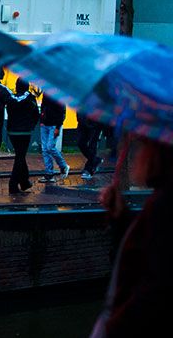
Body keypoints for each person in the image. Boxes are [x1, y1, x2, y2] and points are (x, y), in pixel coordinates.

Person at [90, 136, 173, 337]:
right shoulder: (161, 200)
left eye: (143, 148)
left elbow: (154, 284)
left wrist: (115, 327)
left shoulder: (164, 205)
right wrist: (122, 217)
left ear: (156, 155)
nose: (136, 157)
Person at [5, 78, 39, 194]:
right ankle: (13, 185)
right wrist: (31, 125)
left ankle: (24, 182)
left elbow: (9, 112)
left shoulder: (10, 99)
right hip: (24, 132)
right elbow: (36, 115)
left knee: (20, 156)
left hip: (12, 132)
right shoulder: (30, 98)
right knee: (20, 157)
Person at [38, 95, 70, 183]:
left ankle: (63, 166)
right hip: (45, 125)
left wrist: (58, 127)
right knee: (45, 149)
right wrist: (41, 121)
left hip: (54, 126)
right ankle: (49, 174)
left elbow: (62, 112)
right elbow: (43, 106)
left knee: (50, 147)